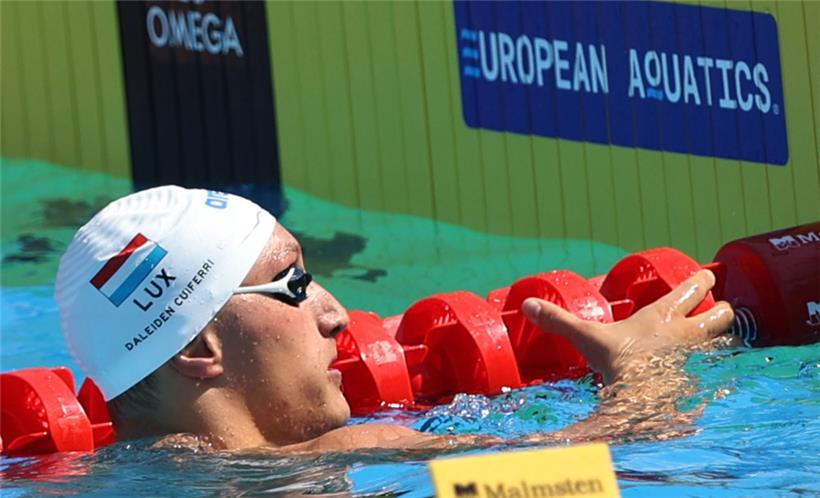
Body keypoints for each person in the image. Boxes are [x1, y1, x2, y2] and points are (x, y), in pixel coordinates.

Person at [55, 186, 735, 453]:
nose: (337, 315)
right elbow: (604, 465)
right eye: (293, 283)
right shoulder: (348, 455)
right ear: (201, 348)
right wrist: (646, 372)